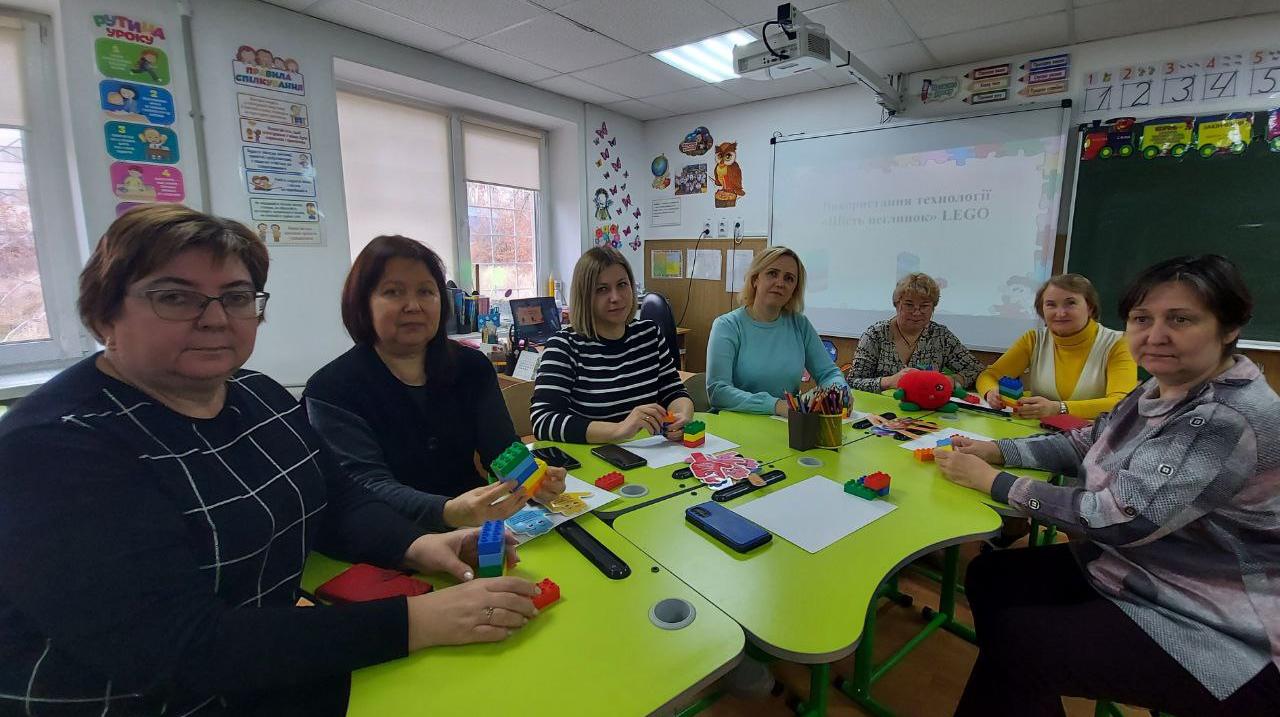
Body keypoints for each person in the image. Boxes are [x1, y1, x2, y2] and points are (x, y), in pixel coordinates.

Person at [0, 206, 540, 717]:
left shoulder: (259, 396)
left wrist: (421, 545)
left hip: (262, 671)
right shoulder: (53, 448)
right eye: (175, 297)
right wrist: (416, 620)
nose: (215, 319)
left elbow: (338, 502)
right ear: (104, 313)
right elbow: (179, 645)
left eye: (236, 297)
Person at [935, 255, 1280, 715]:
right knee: (990, 576)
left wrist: (995, 481)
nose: (1155, 335)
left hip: (1217, 623)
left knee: (1019, 644)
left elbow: (1117, 519)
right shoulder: (1160, 387)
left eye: (1180, 319)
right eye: (1142, 318)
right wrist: (998, 451)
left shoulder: (1224, 417)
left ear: (1230, 327)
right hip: (1142, 569)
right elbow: (1089, 439)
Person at [304, 236, 564, 532]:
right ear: (363, 303)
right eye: (393, 292)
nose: (413, 305)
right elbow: (365, 486)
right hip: (388, 538)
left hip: (477, 527)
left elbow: (502, 449)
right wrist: (448, 511)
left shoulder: (472, 367)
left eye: (426, 291)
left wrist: (533, 480)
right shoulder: (331, 389)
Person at [530, 246, 693, 443]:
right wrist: (619, 430)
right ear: (584, 296)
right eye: (602, 289)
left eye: (622, 285)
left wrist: (681, 416)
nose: (615, 297)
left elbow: (674, 391)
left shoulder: (650, 334)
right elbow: (543, 421)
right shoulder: (563, 346)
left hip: (647, 454)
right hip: (589, 457)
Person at [706, 246, 847, 415]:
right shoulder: (727, 326)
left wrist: (840, 391)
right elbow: (718, 392)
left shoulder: (800, 324)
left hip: (786, 423)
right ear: (755, 279)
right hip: (735, 423)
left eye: (789, 278)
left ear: (794, 289)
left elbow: (829, 373)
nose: (780, 283)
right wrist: (777, 406)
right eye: (772, 273)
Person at [976, 274, 1137, 419]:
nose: (1060, 313)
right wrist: (991, 392)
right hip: (1035, 432)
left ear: (1090, 308)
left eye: (1070, 303)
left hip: (1094, 437)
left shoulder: (1118, 343)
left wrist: (1059, 408)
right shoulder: (1033, 339)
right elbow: (989, 375)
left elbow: (1121, 404)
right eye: (1051, 305)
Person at [845, 272, 983, 393]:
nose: (916, 312)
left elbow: (976, 370)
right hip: (880, 409)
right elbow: (853, 381)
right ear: (896, 304)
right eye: (909, 305)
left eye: (924, 306)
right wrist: (890, 381)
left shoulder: (941, 336)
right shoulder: (875, 335)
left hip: (928, 408)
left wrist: (950, 381)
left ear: (933, 308)